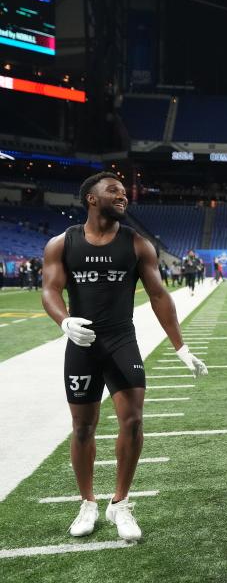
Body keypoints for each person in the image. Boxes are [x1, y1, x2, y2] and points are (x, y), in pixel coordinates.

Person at [41, 172, 208, 541]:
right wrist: (64, 321)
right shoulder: (61, 243)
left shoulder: (137, 244)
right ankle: (87, 502)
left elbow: (160, 296)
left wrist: (181, 347)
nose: (123, 196)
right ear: (90, 198)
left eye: (123, 192)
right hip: (82, 345)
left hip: (121, 341)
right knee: (83, 427)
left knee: (132, 422)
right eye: (113, 190)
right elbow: (50, 289)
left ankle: (120, 502)